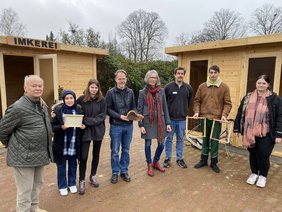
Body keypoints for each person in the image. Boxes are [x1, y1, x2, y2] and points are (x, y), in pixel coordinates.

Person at [0, 75, 53, 212]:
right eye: (33, 86)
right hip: (23, 156)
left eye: (40, 86)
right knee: (25, 191)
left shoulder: (42, 104)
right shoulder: (18, 108)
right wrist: (14, 145)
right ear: (25, 88)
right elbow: (2, 131)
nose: (37, 88)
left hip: (40, 153)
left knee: (37, 185)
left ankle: (34, 208)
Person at [233, 75, 282, 187]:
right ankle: (254, 173)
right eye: (259, 83)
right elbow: (240, 112)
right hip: (249, 131)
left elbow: (280, 116)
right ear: (256, 83)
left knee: (263, 155)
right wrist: (237, 127)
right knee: (253, 154)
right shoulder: (248, 97)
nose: (261, 85)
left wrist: (279, 133)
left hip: (267, 132)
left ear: (268, 85)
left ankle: (263, 176)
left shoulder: (275, 99)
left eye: (264, 83)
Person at [193, 65, 232, 173]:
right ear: (208, 73)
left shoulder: (224, 87)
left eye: (215, 72)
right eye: (211, 72)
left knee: (214, 141)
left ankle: (214, 163)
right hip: (204, 118)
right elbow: (197, 101)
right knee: (205, 139)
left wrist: (224, 114)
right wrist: (197, 112)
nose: (213, 75)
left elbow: (227, 104)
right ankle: (203, 160)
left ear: (218, 73)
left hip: (216, 119)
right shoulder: (202, 86)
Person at [137, 70, 171, 177]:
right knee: (148, 144)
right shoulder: (142, 92)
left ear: (157, 79)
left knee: (161, 145)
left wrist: (168, 123)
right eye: (151, 77)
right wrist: (141, 125)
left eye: (155, 78)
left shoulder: (161, 91)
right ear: (147, 79)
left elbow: (165, 107)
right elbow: (139, 110)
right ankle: (149, 164)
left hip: (160, 122)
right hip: (148, 122)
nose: (153, 80)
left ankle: (155, 161)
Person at [51, 90, 85, 196]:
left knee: (72, 165)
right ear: (64, 99)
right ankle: (62, 186)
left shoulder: (78, 109)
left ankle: (72, 184)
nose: (69, 100)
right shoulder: (58, 110)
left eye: (71, 98)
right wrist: (62, 127)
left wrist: (83, 127)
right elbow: (52, 127)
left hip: (74, 143)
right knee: (61, 166)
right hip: (62, 143)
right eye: (67, 98)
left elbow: (82, 123)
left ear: (74, 99)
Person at [105, 69, 136, 184]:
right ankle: (115, 172)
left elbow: (134, 107)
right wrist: (119, 116)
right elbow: (108, 109)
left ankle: (124, 171)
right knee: (115, 151)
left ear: (126, 79)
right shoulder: (110, 93)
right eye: (119, 78)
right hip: (116, 126)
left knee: (126, 150)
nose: (121, 81)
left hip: (129, 126)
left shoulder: (131, 92)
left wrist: (134, 114)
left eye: (123, 79)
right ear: (116, 79)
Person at [77, 79, 106, 194]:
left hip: (98, 130)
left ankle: (93, 175)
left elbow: (103, 115)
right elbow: (79, 114)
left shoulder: (102, 100)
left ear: (98, 89)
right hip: (85, 131)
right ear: (88, 87)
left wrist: (90, 121)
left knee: (96, 154)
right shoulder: (81, 99)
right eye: (92, 87)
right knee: (83, 157)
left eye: (96, 87)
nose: (94, 89)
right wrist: (88, 121)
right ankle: (82, 180)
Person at [163, 67, 192, 168]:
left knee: (180, 139)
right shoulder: (168, 87)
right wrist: (166, 119)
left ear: (184, 75)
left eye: (182, 73)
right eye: (178, 73)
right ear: (174, 75)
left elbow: (189, 102)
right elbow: (164, 103)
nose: (180, 75)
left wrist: (185, 112)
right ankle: (167, 158)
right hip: (170, 119)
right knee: (169, 139)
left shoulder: (188, 88)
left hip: (182, 120)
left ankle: (179, 158)